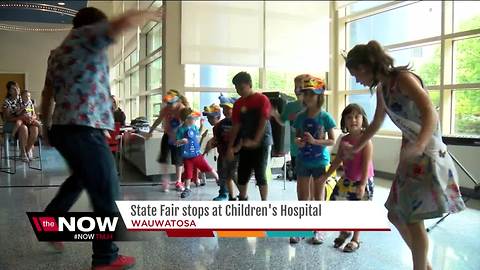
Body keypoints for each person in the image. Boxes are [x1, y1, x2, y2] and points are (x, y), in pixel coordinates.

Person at [40, 6, 163, 269]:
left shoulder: (57, 54)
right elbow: (125, 20)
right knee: (108, 191)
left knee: (81, 179)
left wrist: (45, 126)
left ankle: (50, 221)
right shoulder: (87, 37)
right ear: (94, 26)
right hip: (83, 129)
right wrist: (152, 14)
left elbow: (47, 93)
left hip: (64, 128)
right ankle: (105, 257)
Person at [342, 40, 465, 270]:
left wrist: (418, 145)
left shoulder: (404, 79)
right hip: (410, 156)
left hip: (426, 153)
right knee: (395, 215)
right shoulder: (383, 89)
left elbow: (430, 112)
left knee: (412, 218)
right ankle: (424, 266)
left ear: (366, 66)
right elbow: (377, 122)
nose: (357, 79)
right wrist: (356, 148)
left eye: (356, 73)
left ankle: (420, 267)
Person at [320, 103, 374, 252]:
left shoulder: (366, 140)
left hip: (362, 180)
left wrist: (362, 185)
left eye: (357, 116)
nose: (353, 120)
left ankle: (356, 239)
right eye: (349, 117)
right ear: (344, 121)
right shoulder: (344, 139)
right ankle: (344, 231)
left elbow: (365, 164)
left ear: (363, 119)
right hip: (347, 179)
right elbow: (338, 160)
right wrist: (326, 175)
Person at [291, 75, 336, 245]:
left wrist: (315, 141)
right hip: (303, 160)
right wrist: (299, 142)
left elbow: (332, 140)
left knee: (318, 197)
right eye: (305, 94)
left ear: (319, 96)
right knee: (303, 197)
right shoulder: (300, 117)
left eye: (312, 94)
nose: (308, 97)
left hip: (319, 162)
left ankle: (319, 229)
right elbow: (297, 136)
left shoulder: (325, 117)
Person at [226, 72, 273, 201]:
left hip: (262, 141)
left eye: (241, 88)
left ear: (250, 85)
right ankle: (243, 197)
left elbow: (263, 121)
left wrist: (256, 141)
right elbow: (236, 126)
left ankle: (264, 201)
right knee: (242, 173)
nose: (239, 91)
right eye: (236, 88)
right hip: (245, 142)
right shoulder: (238, 104)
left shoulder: (262, 99)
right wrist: (231, 147)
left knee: (260, 173)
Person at [146, 89, 188, 192]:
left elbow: (188, 124)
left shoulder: (182, 109)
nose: (169, 105)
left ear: (177, 101)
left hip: (178, 137)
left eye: (171, 103)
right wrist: (150, 131)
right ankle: (165, 180)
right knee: (164, 158)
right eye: (167, 103)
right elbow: (158, 120)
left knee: (178, 160)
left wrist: (184, 137)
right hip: (167, 135)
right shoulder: (165, 109)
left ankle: (178, 181)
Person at [176, 107, 219, 198]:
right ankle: (187, 188)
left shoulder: (194, 127)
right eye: (192, 119)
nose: (194, 121)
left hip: (197, 154)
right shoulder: (181, 130)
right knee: (188, 173)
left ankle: (218, 179)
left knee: (207, 167)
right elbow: (176, 143)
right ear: (186, 119)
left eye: (195, 119)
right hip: (187, 156)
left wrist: (202, 125)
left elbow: (197, 134)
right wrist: (181, 141)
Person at [204, 95, 241, 201]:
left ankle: (242, 193)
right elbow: (218, 139)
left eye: (228, 109)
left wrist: (236, 149)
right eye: (224, 109)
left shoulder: (239, 123)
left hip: (235, 154)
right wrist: (211, 144)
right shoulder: (220, 126)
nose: (225, 111)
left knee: (233, 174)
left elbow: (242, 138)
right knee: (224, 175)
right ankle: (228, 195)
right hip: (223, 154)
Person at [271, 75, 306, 182]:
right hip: (295, 150)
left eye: (300, 87)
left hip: (311, 150)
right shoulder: (290, 106)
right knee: (299, 180)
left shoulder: (313, 105)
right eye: (295, 87)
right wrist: (275, 114)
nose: (297, 90)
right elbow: (282, 121)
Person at [2, 81, 39, 161]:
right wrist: (21, 117)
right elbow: (7, 118)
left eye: (17, 88)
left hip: (26, 121)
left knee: (35, 128)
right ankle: (23, 153)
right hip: (12, 123)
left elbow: (34, 113)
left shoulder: (24, 98)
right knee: (23, 128)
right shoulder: (7, 102)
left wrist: (33, 117)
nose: (16, 90)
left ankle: (27, 149)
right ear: (9, 91)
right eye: (13, 88)